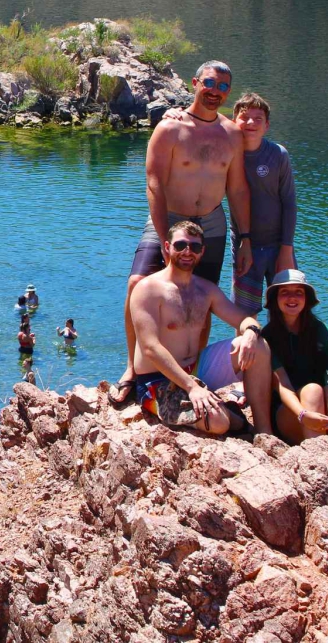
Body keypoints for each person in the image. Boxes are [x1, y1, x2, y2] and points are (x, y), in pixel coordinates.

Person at [113, 60, 253, 407]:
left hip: (211, 222)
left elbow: (237, 190)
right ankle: (132, 368)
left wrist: (245, 238)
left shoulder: (232, 134)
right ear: (194, 83)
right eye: (209, 83)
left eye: (223, 87)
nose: (214, 91)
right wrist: (163, 236)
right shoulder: (170, 128)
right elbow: (154, 183)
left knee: (202, 299)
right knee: (136, 285)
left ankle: (192, 368)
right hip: (169, 219)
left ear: (228, 93)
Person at [128, 220, 273, 436]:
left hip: (197, 368)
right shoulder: (148, 289)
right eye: (180, 245)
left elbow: (244, 320)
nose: (188, 252)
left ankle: (264, 432)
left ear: (202, 252)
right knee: (218, 423)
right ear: (167, 247)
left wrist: (251, 332)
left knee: (259, 346)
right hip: (157, 381)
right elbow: (150, 347)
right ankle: (234, 418)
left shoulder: (206, 290)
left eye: (194, 247)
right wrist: (191, 387)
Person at [262, 270, 328, 443]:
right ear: (275, 299)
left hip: (320, 411)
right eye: (285, 293)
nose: (292, 298)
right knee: (312, 390)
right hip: (290, 413)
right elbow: (283, 386)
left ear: (307, 299)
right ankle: (317, 454)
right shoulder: (268, 337)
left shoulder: (322, 332)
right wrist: (303, 414)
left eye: (298, 292)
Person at [230, 94, 298, 314]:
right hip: (244, 245)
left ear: (267, 125)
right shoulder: (227, 156)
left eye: (258, 119)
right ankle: (248, 349)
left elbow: (289, 202)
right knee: (244, 314)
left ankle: (283, 350)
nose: (250, 123)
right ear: (233, 121)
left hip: (279, 245)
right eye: (244, 117)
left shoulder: (278, 155)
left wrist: (286, 250)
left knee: (287, 311)